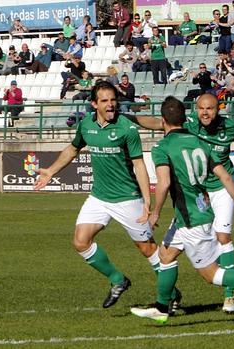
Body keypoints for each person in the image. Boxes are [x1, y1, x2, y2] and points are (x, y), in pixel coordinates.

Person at [129, 96, 234, 324]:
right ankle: (162, 308)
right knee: (166, 255)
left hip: (193, 219)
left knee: (212, 275)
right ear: (186, 118)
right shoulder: (200, 143)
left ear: (163, 121)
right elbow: (224, 175)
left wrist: (154, 212)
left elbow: (162, 183)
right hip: (192, 214)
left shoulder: (162, 147)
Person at [34, 81, 181, 311]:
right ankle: (118, 280)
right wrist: (50, 172)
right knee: (80, 241)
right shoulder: (86, 125)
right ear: (94, 104)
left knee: (148, 250)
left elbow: (139, 165)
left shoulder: (126, 128)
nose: (110, 104)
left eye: (113, 100)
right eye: (104, 100)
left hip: (128, 198)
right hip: (99, 197)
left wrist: (147, 201)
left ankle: (170, 292)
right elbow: (73, 149)